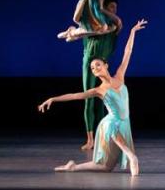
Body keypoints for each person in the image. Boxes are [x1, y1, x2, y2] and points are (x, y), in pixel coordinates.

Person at [45, 0, 128, 150]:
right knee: (87, 93)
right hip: (89, 10)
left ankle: (72, 34)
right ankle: (90, 138)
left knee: (102, 93)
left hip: (100, 11)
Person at [38, 19, 148, 176]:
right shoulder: (99, 90)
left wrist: (132, 31)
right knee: (112, 126)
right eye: (92, 68)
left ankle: (73, 167)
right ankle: (132, 156)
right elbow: (75, 95)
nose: (94, 68)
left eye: (97, 65)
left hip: (124, 123)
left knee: (106, 167)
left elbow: (127, 52)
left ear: (105, 65)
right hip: (111, 125)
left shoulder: (120, 76)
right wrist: (53, 99)